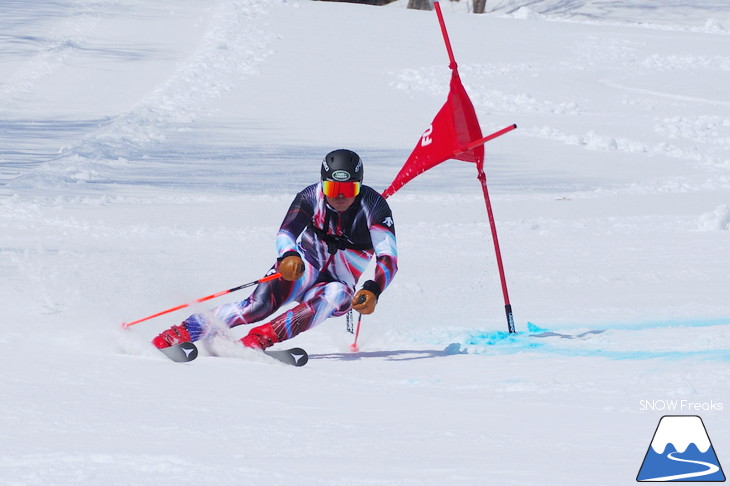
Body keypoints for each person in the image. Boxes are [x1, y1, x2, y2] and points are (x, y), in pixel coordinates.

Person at [152, 149, 398, 351]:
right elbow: (286, 233)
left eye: (349, 190)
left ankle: (258, 340)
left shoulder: (375, 207)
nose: (340, 198)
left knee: (337, 295)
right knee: (256, 307)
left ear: (360, 186)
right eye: (333, 189)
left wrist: (373, 289)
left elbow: (388, 258)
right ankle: (182, 332)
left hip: (339, 282)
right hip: (303, 268)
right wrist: (288, 256)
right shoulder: (311, 196)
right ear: (323, 184)